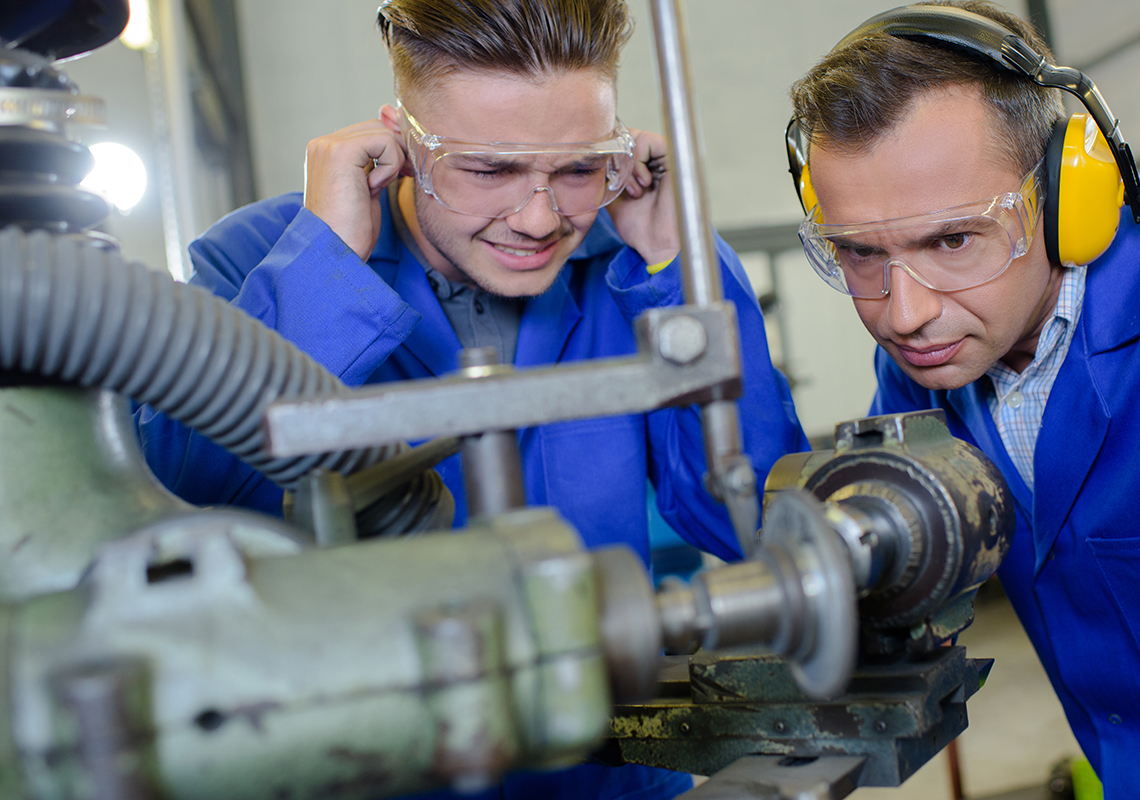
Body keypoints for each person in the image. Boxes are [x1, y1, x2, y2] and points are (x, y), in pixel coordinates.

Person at [136, 1, 806, 798]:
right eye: (488, 171)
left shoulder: (641, 253)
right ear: (400, 144)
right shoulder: (260, 258)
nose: (538, 218)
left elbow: (752, 526)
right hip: (371, 774)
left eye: (577, 169)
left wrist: (676, 266)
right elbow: (179, 507)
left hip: (611, 773)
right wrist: (325, 269)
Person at [788, 2, 1140, 799]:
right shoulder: (927, 369)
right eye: (858, 253)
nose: (903, 313)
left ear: (1067, 196)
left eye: (952, 240)